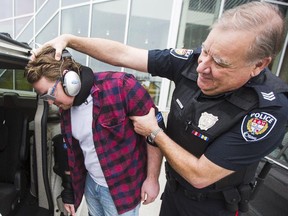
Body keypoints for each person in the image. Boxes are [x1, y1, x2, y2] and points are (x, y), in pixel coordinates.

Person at [32, 2, 288, 215]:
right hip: (174, 193)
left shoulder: (266, 112)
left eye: (219, 62)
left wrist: (154, 133)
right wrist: (70, 39)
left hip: (212, 205)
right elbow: (124, 55)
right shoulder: (193, 60)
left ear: (259, 65)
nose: (201, 66)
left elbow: (200, 175)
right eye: (206, 51)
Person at [25, 46, 164, 216]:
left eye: (50, 94)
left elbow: (155, 134)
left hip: (122, 190)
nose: (50, 103)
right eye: (45, 97)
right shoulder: (66, 108)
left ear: (70, 80)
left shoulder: (121, 86)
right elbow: (72, 154)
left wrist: (152, 179)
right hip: (91, 185)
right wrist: (70, 192)